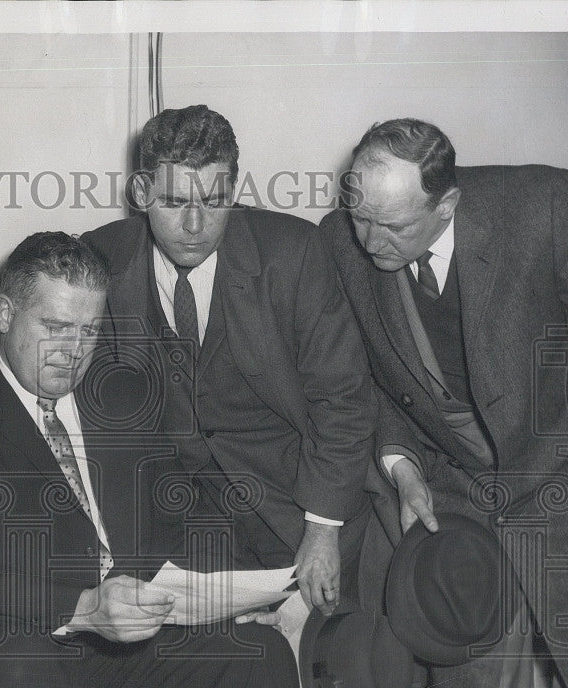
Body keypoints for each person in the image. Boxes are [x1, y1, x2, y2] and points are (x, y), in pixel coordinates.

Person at [0, 231, 305, 688]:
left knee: (257, 655)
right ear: (4, 314)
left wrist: (235, 596)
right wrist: (85, 607)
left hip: (114, 654)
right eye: (57, 327)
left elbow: (180, 518)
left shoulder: (125, 402)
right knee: (21, 664)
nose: (74, 351)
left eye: (89, 331)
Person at [319, 118, 568, 688]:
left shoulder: (546, 208)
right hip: (453, 492)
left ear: (446, 205)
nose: (368, 242)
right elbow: (369, 380)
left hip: (567, 468)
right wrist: (403, 468)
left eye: (391, 226)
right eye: (359, 215)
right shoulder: (342, 240)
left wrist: (559, 464)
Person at [81, 105, 377, 615]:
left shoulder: (294, 254)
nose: (195, 225)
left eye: (215, 201)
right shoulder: (100, 260)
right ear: (140, 195)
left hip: (296, 505)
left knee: (327, 667)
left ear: (234, 191)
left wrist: (324, 529)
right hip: (175, 526)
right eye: (173, 202)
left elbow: (344, 398)